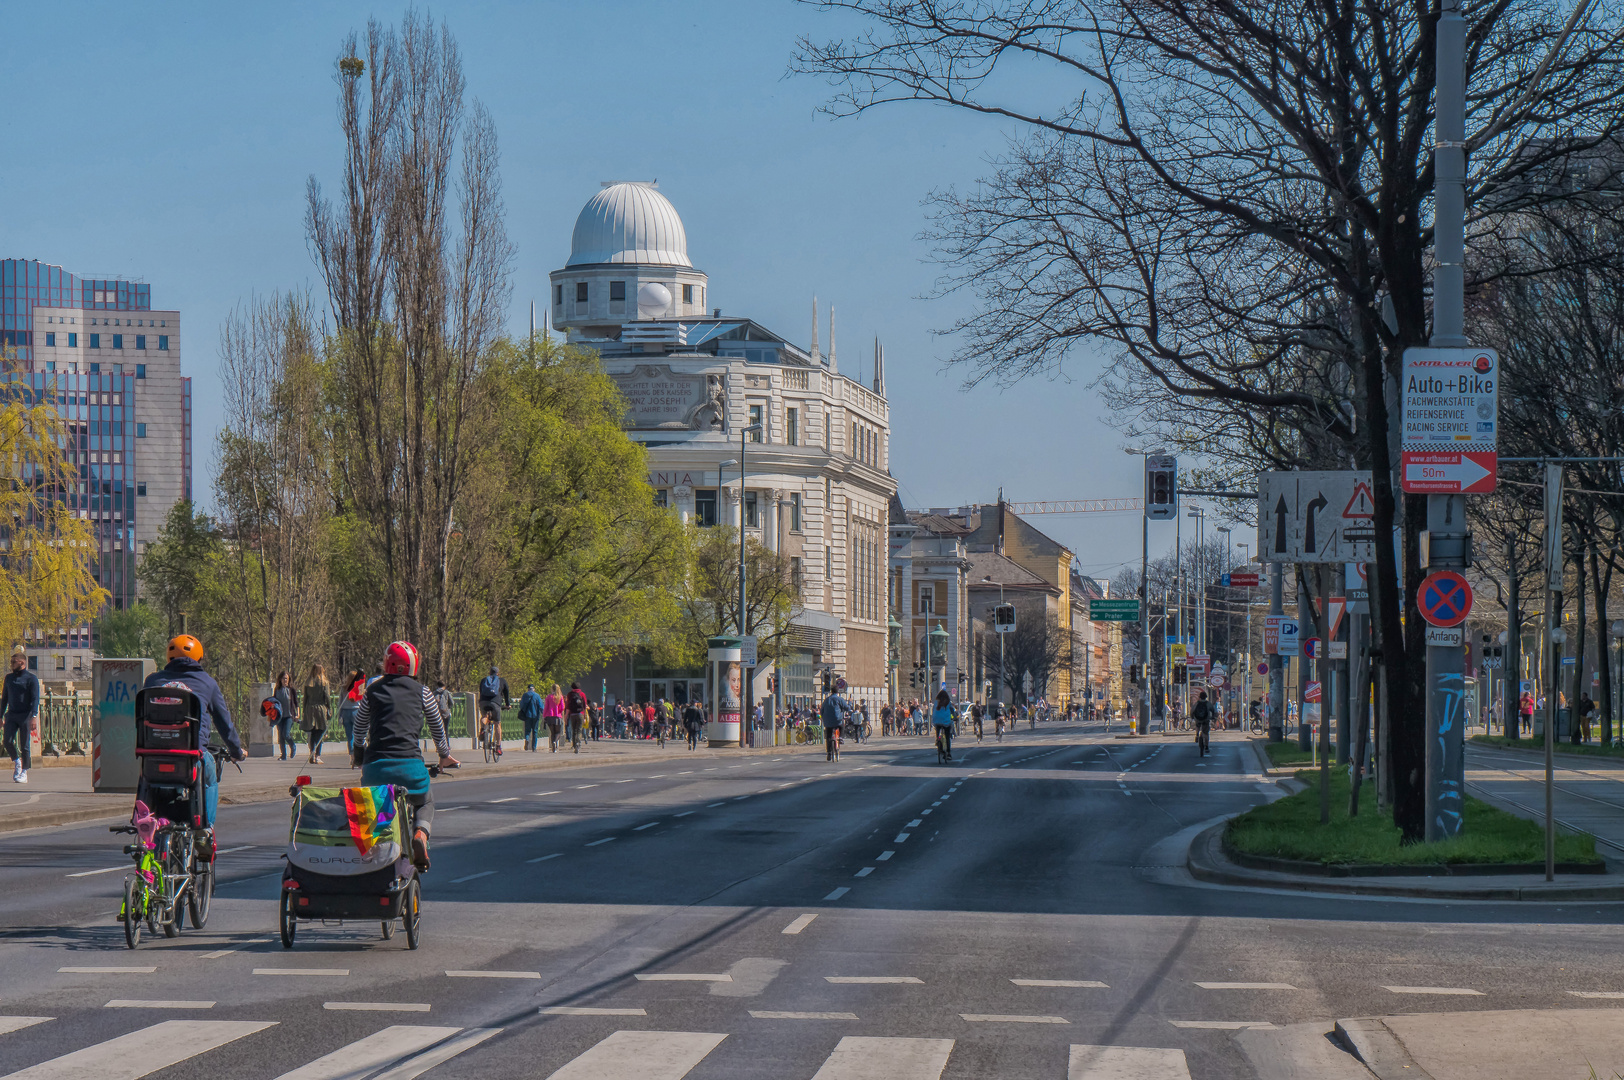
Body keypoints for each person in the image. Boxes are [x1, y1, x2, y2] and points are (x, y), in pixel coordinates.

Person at [350, 641, 456, 871]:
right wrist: (444, 754)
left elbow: (359, 729)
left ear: (387, 663)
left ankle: (375, 848)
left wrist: (359, 753)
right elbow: (437, 726)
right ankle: (420, 833)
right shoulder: (423, 691)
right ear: (413, 666)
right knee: (426, 799)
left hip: (376, 769)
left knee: (374, 802)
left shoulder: (372, 691)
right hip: (411, 769)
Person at [143, 635, 246, 833]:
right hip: (190, 757)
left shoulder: (152, 680)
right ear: (199, 658)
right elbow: (224, 723)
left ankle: (144, 816)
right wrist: (237, 751)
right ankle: (205, 829)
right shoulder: (207, 683)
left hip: (153, 755)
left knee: (146, 778)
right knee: (209, 776)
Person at [4, 650, 41, 784]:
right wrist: (1, 715)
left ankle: (25, 771)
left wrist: (34, 716)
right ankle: (17, 762)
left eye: (14, 662)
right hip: (12, 714)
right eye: (11, 662)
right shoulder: (9, 678)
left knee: (25, 745)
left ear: (22, 663)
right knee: (7, 741)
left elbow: (35, 698)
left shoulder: (31, 679)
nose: (12, 664)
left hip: (26, 715)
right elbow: (5, 698)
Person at [478, 666, 510, 757]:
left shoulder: (484, 680)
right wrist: (508, 704)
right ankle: (498, 747)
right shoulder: (502, 681)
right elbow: (506, 692)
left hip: (483, 702)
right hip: (495, 703)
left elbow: (481, 691)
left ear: (489, 673)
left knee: (484, 716)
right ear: (498, 674)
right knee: (497, 723)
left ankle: (483, 729)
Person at [303, 664, 331, 765]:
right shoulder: (324, 683)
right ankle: (317, 755)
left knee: (313, 732)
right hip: (320, 709)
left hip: (309, 708)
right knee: (320, 732)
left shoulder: (308, 682)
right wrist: (329, 708)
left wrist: (304, 711)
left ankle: (312, 752)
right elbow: (327, 697)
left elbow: (305, 698)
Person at [820, 678, 853, 761]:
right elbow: (846, 708)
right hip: (837, 720)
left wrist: (824, 718)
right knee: (842, 725)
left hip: (827, 721)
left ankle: (829, 753)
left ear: (831, 691)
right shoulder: (840, 699)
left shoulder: (827, 700)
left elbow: (822, 710)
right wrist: (850, 705)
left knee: (828, 736)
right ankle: (841, 737)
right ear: (837, 691)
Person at [273, 671, 299, 761]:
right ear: (280, 679)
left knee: (286, 734)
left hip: (289, 715)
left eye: (287, 679)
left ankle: (293, 745)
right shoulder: (277, 689)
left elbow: (296, 703)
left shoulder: (291, 690)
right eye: (284, 678)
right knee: (281, 736)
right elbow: (274, 700)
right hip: (280, 716)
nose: (285, 680)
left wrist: (297, 714)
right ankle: (283, 755)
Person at [339, 670, 366, 754]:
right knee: (357, 734)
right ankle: (356, 753)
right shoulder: (360, 688)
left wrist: (339, 715)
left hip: (345, 711)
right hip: (356, 711)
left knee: (349, 735)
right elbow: (362, 702)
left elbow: (340, 702)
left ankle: (352, 754)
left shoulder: (344, 688)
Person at [518, 683, 545, 751]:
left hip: (527, 715)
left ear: (528, 689)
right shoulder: (537, 696)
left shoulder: (525, 695)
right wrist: (544, 715)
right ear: (534, 689)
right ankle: (534, 747)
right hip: (536, 716)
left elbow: (521, 705)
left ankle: (527, 740)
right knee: (535, 731)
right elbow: (541, 706)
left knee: (527, 730)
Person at [931, 688, 956, 760]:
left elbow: (933, 710)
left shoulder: (936, 702)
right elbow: (952, 710)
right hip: (946, 721)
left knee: (938, 731)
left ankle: (938, 740)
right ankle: (948, 753)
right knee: (947, 736)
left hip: (937, 720)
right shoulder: (948, 702)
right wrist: (954, 717)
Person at [565, 681, 589, 752]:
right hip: (580, 714)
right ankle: (578, 743)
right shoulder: (582, 694)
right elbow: (584, 706)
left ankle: (574, 745)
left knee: (573, 730)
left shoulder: (569, 694)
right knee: (579, 730)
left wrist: (566, 716)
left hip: (572, 714)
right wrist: (584, 717)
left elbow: (568, 706)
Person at [1191, 689, 1212, 755]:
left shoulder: (1197, 703)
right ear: (1206, 697)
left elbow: (1192, 711)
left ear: (1199, 697)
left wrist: (1192, 717)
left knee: (1197, 725)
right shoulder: (1208, 703)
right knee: (1206, 733)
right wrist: (1213, 717)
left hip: (1198, 719)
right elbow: (1213, 711)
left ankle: (1197, 734)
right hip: (1206, 720)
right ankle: (1206, 746)